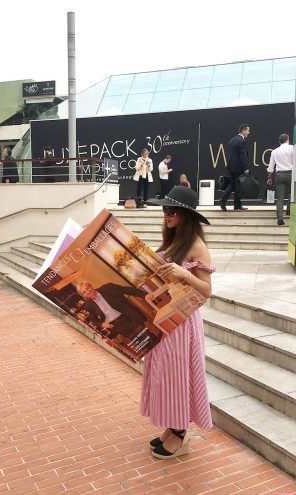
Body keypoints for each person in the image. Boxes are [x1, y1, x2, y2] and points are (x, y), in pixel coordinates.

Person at [142, 186, 214, 459]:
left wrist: (182, 274)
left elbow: (206, 291)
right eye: (164, 210)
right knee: (166, 375)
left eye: (171, 211)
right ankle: (172, 428)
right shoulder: (172, 241)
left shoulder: (196, 245)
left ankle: (181, 434)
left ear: (185, 214)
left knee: (178, 376)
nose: (166, 215)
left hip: (182, 323)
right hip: (165, 320)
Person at [76, 281, 147, 339]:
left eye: (88, 288)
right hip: (116, 326)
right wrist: (102, 324)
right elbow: (93, 319)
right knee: (138, 342)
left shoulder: (108, 288)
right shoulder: (88, 305)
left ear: (91, 286)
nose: (88, 292)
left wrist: (144, 295)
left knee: (148, 336)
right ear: (83, 296)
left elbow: (127, 290)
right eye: (84, 292)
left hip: (129, 317)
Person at [220, 124, 251, 211]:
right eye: (248, 131)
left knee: (234, 185)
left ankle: (234, 204)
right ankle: (233, 204)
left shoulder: (232, 140)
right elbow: (243, 156)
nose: (248, 133)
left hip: (230, 167)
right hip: (238, 168)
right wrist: (245, 168)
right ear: (243, 131)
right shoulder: (242, 141)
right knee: (238, 186)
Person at [267, 133, 293, 225]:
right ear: (287, 139)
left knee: (280, 198)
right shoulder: (292, 148)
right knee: (292, 193)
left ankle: (280, 218)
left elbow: (270, 167)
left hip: (279, 175)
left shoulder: (274, 151)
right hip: (291, 174)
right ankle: (289, 210)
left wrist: (269, 177)